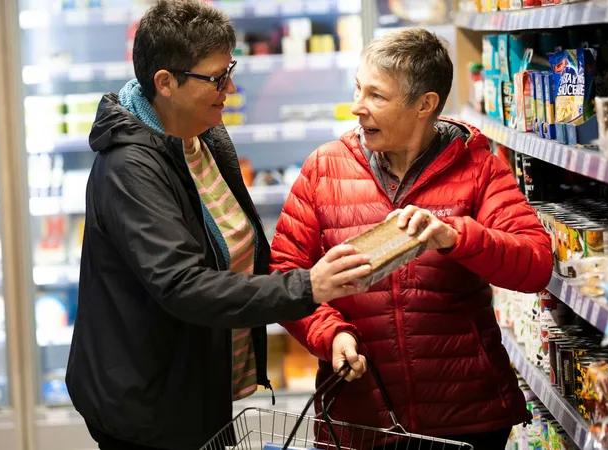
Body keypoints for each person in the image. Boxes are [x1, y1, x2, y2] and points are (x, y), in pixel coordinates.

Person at [64, 1, 373, 449]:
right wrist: (309, 287)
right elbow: (185, 285)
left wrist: (327, 327)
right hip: (149, 409)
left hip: (199, 383)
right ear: (165, 83)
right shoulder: (129, 168)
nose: (230, 86)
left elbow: (241, 253)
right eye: (215, 77)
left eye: (229, 68)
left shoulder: (202, 134)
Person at [270, 28, 553, 449]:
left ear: (425, 105)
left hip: (467, 417)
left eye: (376, 96)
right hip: (360, 417)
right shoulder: (324, 169)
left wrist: (455, 237)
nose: (356, 108)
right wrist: (331, 334)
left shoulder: (477, 167)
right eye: (358, 89)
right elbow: (285, 275)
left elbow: (535, 264)